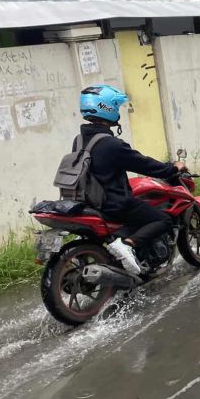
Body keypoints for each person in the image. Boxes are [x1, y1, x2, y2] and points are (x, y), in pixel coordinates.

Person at [77, 85, 185, 275]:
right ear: (106, 108)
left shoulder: (80, 140)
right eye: (116, 106)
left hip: (91, 202)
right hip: (114, 204)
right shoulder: (111, 144)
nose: (118, 111)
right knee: (164, 219)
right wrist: (171, 168)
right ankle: (128, 244)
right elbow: (143, 164)